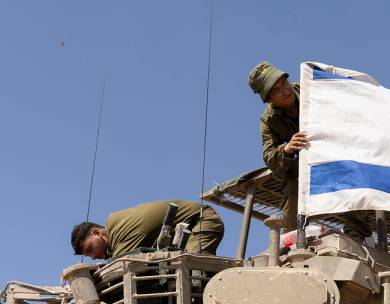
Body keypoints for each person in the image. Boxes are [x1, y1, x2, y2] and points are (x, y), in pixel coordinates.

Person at [248, 61, 371, 239]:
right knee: (291, 178)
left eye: (284, 82)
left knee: (363, 167)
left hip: (340, 149)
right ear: (269, 99)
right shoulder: (269, 121)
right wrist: (287, 149)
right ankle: (294, 236)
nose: (285, 90)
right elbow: (270, 158)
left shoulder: (313, 90)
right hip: (311, 163)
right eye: (277, 90)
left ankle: (356, 235)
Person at [70, 200, 224, 260]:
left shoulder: (118, 229)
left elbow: (120, 263)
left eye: (90, 249)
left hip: (201, 221)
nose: (93, 257)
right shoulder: (115, 237)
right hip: (187, 229)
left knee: (193, 271)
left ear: (96, 233)